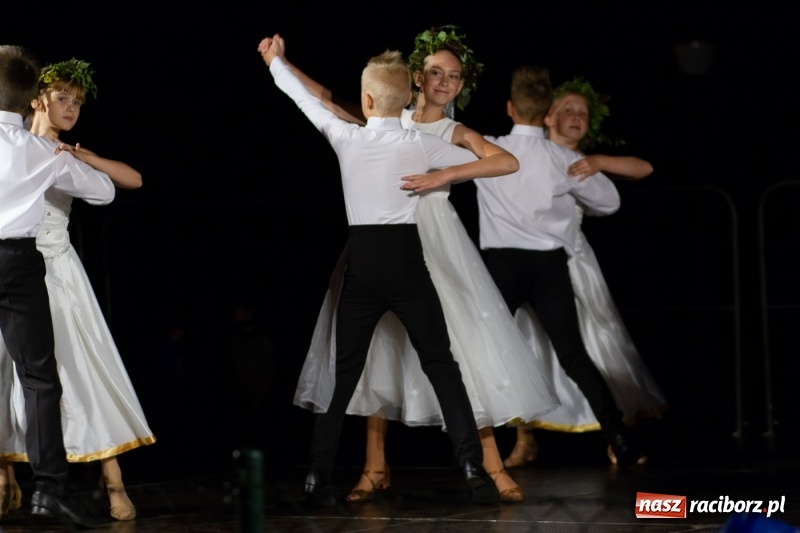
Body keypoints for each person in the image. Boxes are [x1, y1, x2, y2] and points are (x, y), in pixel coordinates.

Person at [291, 26, 558, 503]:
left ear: (461, 86)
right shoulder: (392, 120)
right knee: (377, 358)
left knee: (458, 352)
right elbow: (327, 103)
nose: (444, 81)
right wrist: (283, 66)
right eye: (436, 72)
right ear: (415, 78)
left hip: (435, 239)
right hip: (390, 240)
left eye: (454, 76)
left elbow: (501, 161)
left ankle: (486, 467)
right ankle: (374, 467)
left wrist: (449, 172)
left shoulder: (451, 133)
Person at [0, 57, 153, 521]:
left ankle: (112, 481)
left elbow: (122, 183)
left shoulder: (54, 152)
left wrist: (82, 155)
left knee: (77, 370)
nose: (70, 107)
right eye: (62, 98)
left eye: (77, 102)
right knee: (13, 377)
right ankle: (13, 480)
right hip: (24, 264)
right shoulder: (31, 147)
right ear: (36, 98)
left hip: (55, 272)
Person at [473, 65, 641, 469]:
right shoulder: (563, 157)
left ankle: (473, 452)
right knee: (572, 354)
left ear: (511, 107)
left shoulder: (488, 147)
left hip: (504, 267)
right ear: (548, 110)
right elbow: (610, 203)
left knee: (483, 353)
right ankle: (618, 436)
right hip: (548, 267)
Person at [503, 78, 666, 468]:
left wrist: (599, 161)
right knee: (527, 347)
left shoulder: (578, 164)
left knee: (593, 344)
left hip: (572, 260)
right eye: (568, 110)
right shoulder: (529, 153)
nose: (576, 117)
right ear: (548, 116)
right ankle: (525, 438)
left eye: (583, 113)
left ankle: (616, 434)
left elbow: (644, 168)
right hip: (529, 260)